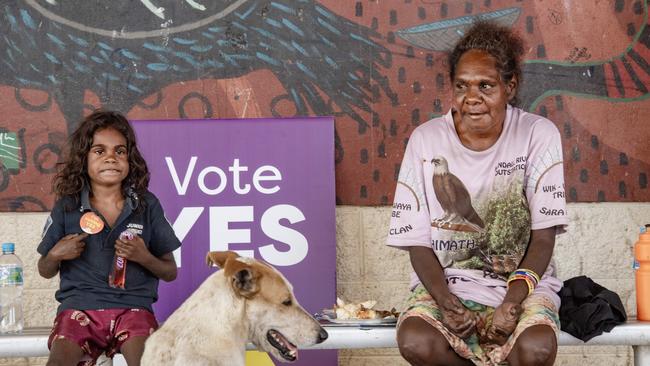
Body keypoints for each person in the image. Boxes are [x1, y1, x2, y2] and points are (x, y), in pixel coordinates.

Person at [387, 21, 568, 366]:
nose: (472, 98)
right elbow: (418, 242)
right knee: (416, 340)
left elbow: (543, 239)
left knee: (537, 348)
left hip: (523, 288)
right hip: (449, 284)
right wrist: (445, 302)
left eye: (486, 85)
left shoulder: (538, 134)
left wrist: (511, 304)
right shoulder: (426, 140)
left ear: (510, 86)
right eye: (462, 86)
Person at [37, 110, 181, 366]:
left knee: (150, 361)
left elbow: (170, 271)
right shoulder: (67, 207)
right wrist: (56, 255)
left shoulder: (147, 205)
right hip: (79, 308)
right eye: (99, 151)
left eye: (120, 151)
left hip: (134, 308)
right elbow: (44, 270)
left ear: (130, 158)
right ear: (84, 159)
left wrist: (143, 256)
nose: (111, 158)